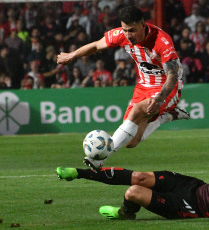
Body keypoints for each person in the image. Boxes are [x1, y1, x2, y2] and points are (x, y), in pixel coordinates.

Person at [57, 6, 189, 170]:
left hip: (168, 88)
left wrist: (160, 98)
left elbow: (172, 76)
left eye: (132, 30)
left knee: (135, 113)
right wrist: (72, 55)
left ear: (143, 24)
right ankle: (167, 116)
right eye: (125, 30)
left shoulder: (161, 41)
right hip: (143, 86)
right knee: (131, 142)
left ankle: (100, 159)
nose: (128, 35)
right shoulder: (122, 35)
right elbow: (97, 45)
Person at [56, 139, 209, 219]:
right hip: (193, 186)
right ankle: (80, 172)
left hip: (192, 207)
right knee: (139, 177)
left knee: (133, 192)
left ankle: (125, 213)